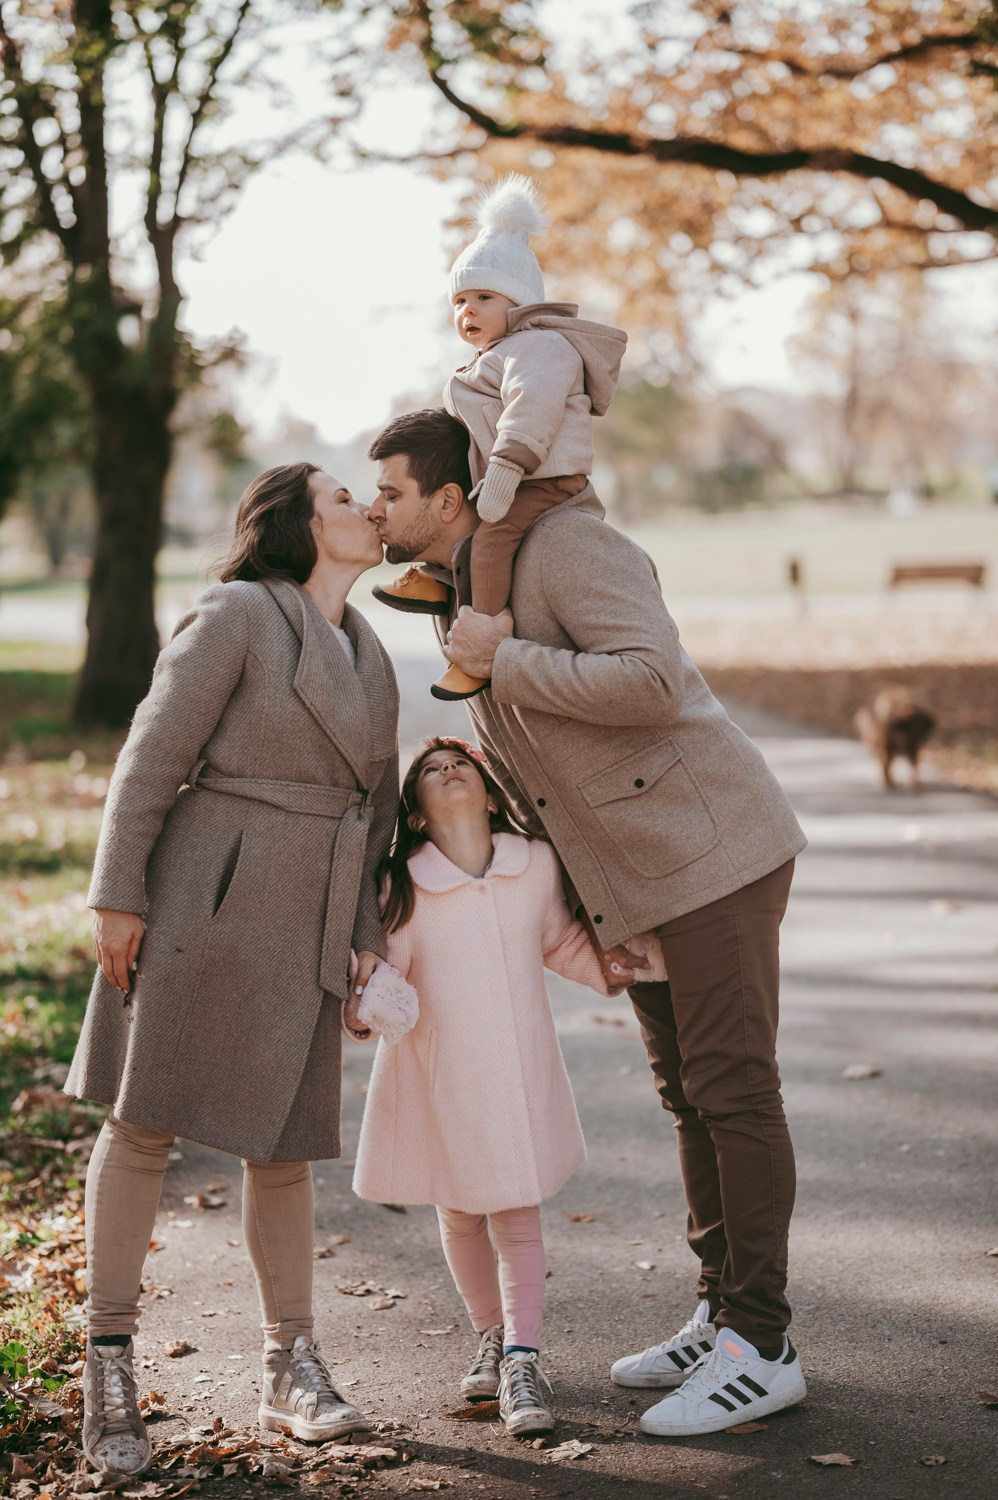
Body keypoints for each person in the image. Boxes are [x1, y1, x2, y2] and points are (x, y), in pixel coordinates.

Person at [366, 408, 810, 1439]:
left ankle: (765, 1343)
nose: (375, 509)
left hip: (711, 856)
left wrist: (502, 655)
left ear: (446, 497)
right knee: (688, 1097)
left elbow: (653, 681)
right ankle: (720, 1310)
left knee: (733, 1092)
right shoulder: (459, 596)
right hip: (641, 882)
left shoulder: (567, 548)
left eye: (388, 491)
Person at [64, 464, 400, 1476]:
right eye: (345, 498)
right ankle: (108, 1363)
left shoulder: (373, 653)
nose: (369, 508)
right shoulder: (238, 612)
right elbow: (150, 753)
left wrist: (364, 934)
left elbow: (375, 815)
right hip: (198, 898)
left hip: (308, 919)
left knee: (284, 1144)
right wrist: (116, 891)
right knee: (141, 1121)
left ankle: (290, 1360)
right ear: (297, 524)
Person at [345, 737, 662, 1438]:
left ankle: (523, 1357)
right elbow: (383, 973)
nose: (447, 770)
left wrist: (617, 968)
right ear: (418, 816)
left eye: (460, 764)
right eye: (428, 770)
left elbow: (559, 941)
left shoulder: (536, 865)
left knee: (516, 1213)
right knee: (459, 1213)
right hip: (442, 1079)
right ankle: (489, 1334)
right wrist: (366, 1008)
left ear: (491, 796)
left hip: (517, 1074)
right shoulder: (405, 885)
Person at [372, 174, 626, 702]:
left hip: (542, 474)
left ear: (519, 301)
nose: (467, 311)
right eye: (459, 300)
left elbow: (530, 408)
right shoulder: (494, 356)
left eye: (483, 296)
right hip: (513, 472)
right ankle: (441, 576)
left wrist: (507, 468)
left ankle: (479, 643)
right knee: (457, 515)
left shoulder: (539, 348)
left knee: (489, 537)